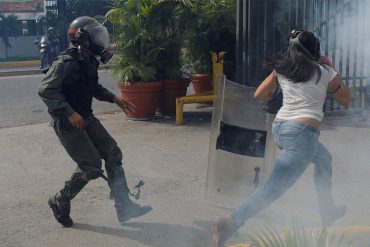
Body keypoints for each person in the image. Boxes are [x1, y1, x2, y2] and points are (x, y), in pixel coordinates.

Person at [212, 30, 351, 247]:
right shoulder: (325, 71)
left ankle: (327, 210)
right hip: (302, 136)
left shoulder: (283, 69)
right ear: (315, 48)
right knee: (273, 189)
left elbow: (260, 95)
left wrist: (286, 93)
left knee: (325, 159)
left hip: (281, 129)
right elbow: (346, 100)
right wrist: (331, 81)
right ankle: (231, 221)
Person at [38, 16, 152, 227]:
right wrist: (69, 112)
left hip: (86, 117)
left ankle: (124, 206)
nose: (101, 39)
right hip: (66, 122)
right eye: (96, 35)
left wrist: (114, 98)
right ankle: (60, 199)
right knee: (90, 165)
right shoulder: (66, 62)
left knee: (112, 152)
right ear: (83, 38)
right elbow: (46, 90)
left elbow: (92, 87)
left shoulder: (89, 60)